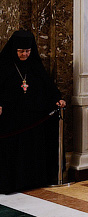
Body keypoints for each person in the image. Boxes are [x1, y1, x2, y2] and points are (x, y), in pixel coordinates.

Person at [0, 30, 66, 194]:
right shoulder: (3, 65)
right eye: (21, 51)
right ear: (14, 49)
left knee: (31, 151)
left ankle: (31, 181)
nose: (24, 54)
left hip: (33, 117)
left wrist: (57, 98)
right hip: (11, 118)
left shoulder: (34, 65)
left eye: (28, 51)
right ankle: (11, 184)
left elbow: (46, 85)